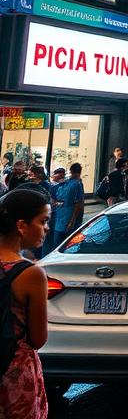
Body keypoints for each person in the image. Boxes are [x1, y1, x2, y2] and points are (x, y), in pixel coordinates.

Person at [0, 187, 51, 419]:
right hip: (13, 373)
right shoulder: (29, 274)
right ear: (21, 225)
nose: (47, 228)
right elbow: (37, 339)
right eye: (43, 221)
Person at [50, 162, 85, 250]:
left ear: (70, 171)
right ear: (79, 172)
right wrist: (73, 220)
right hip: (69, 216)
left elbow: (53, 197)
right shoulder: (76, 184)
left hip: (59, 216)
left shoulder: (63, 184)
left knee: (57, 242)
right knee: (69, 243)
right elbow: (79, 203)